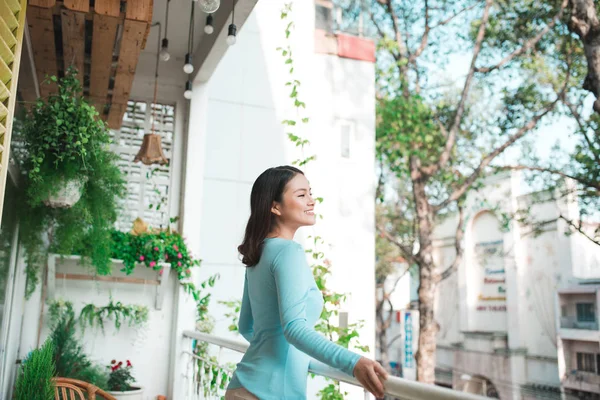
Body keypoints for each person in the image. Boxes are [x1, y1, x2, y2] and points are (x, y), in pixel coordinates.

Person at [225, 166, 388, 400]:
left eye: (310, 193)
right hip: (267, 394)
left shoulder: (258, 253)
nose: (312, 201)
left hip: (242, 387)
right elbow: (294, 329)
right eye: (301, 195)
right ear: (275, 206)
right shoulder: (288, 252)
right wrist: (354, 363)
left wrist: (292, 355)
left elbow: (246, 327)